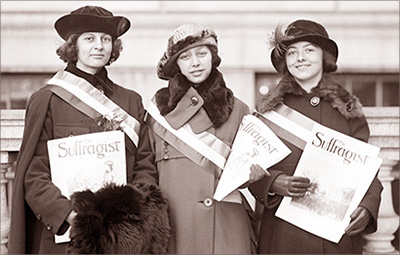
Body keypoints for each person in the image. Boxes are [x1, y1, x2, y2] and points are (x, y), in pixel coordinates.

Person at [8, 6, 168, 254]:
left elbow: (144, 165)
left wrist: (130, 219)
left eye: (106, 39)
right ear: (74, 46)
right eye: (90, 38)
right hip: (65, 235)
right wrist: (69, 216)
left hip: (119, 238)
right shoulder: (47, 99)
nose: (99, 46)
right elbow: (33, 172)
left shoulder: (130, 101)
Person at [249, 19, 383, 254]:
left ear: (324, 57)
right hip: (284, 235)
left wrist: (368, 206)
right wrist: (272, 183)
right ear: (285, 61)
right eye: (292, 52)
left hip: (336, 237)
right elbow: (248, 166)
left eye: (309, 50)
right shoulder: (269, 111)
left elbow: (367, 168)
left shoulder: (348, 109)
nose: (300, 58)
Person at [146, 23, 267, 254]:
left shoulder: (240, 110)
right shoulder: (157, 113)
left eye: (202, 54)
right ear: (176, 65)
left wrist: (257, 177)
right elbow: (145, 172)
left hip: (227, 231)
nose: (195, 62)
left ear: (213, 58)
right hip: (176, 232)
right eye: (185, 56)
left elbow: (257, 176)